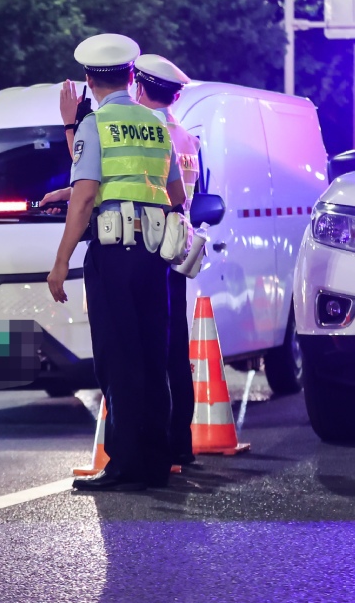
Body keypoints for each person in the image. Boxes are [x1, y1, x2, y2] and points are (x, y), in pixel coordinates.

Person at [46, 33, 186, 493]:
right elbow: (175, 194)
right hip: (153, 256)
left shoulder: (93, 125)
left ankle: (125, 464)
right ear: (131, 75)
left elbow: (86, 198)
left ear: (89, 81)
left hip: (113, 254)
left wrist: (61, 262)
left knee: (117, 359)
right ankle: (155, 460)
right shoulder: (156, 125)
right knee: (152, 356)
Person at [131, 54, 198, 469]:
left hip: (149, 245)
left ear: (140, 88)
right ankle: (181, 443)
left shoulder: (146, 133)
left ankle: (156, 445)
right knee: (177, 351)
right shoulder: (189, 138)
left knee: (150, 348)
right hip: (180, 246)